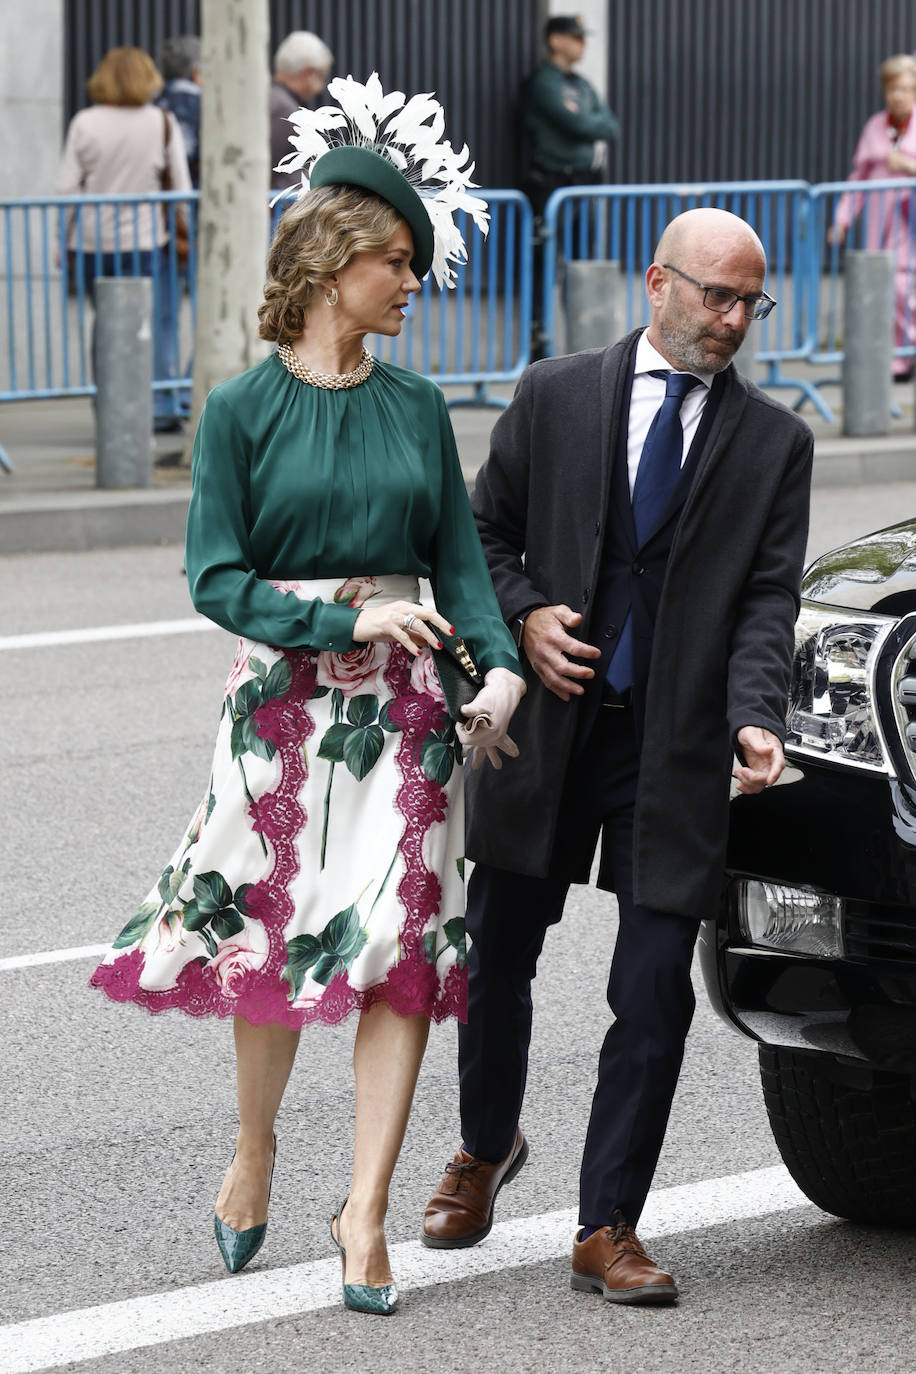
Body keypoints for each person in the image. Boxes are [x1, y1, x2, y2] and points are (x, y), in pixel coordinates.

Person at [89, 73, 524, 1317]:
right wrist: (341, 618)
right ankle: (256, 1146)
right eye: (397, 262)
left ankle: (365, 1210)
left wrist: (492, 672)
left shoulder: (418, 408)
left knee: (400, 953)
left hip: (409, 716)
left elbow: (458, 568)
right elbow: (215, 578)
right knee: (277, 936)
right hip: (283, 707)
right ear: (335, 264)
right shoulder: (239, 411)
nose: (412, 284)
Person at [422, 208, 814, 1305]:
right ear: (657, 283)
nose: (732, 320)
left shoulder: (775, 442)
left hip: (675, 745)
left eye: (749, 303)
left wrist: (755, 715)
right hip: (548, 730)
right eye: (715, 296)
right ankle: (484, 1145)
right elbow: (478, 535)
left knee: (650, 991)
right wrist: (525, 615)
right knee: (495, 955)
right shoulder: (554, 393)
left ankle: (607, 1224)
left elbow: (768, 597)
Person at [57, 45, 192, 431]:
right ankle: (150, 408)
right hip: (146, 241)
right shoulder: (161, 122)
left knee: (105, 325)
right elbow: (180, 188)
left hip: (92, 243)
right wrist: (185, 230)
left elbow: (67, 188)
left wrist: (61, 241)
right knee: (144, 325)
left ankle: (108, 408)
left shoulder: (84, 122)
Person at [519, 16, 619, 361]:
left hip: (581, 186)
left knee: (580, 266)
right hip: (550, 185)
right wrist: (585, 121)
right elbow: (574, 123)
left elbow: (609, 125)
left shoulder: (582, 85)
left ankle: (582, 349)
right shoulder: (544, 83)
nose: (582, 44)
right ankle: (538, 344)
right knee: (543, 265)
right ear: (555, 40)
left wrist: (585, 121)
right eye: (575, 37)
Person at [830, 54, 916, 381]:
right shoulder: (875, 126)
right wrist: (842, 218)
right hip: (880, 223)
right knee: (882, 286)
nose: (898, 96)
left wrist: (909, 166)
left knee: (901, 285)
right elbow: (858, 179)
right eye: (893, 89)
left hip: (910, 221)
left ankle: (905, 351)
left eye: (905, 89)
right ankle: (896, 356)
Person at [269, 31, 333, 191]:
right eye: (321, 77)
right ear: (308, 73)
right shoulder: (283, 109)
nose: (320, 88)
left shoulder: (275, 100)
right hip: (282, 204)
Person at [156, 35, 202, 188]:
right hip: (197, 191)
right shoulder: (207, 105)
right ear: (196, 72)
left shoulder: (152, 103)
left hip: (160, 193)